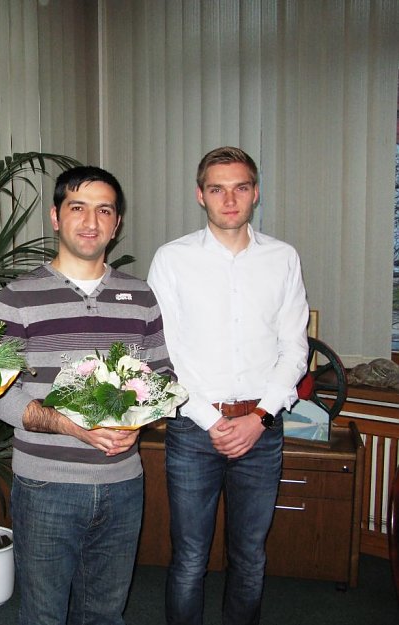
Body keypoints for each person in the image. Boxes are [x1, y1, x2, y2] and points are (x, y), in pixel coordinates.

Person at [0, 166, 172, 625]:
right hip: (46, 485)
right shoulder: (16, 298)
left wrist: (137, 422)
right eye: (78, 208)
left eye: (103, 210)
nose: (91, 221)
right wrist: (72, 426)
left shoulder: (141, 296)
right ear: (55, 217)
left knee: (106, 614)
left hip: (124, 484)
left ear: (117, 223)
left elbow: (163, 377)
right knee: (44, 616)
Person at [147, 146, 309, 625]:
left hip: (262, 432)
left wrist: (259, 419)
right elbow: (164, 356)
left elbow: (294, 351)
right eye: (217, 188)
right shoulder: (173, 260)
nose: (230, 198)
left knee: (250, 558)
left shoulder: (282, 258)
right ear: (201, 195)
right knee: (190, 559)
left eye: (240, 187)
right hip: (195, 432)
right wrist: (216, 421)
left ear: (255, 194)